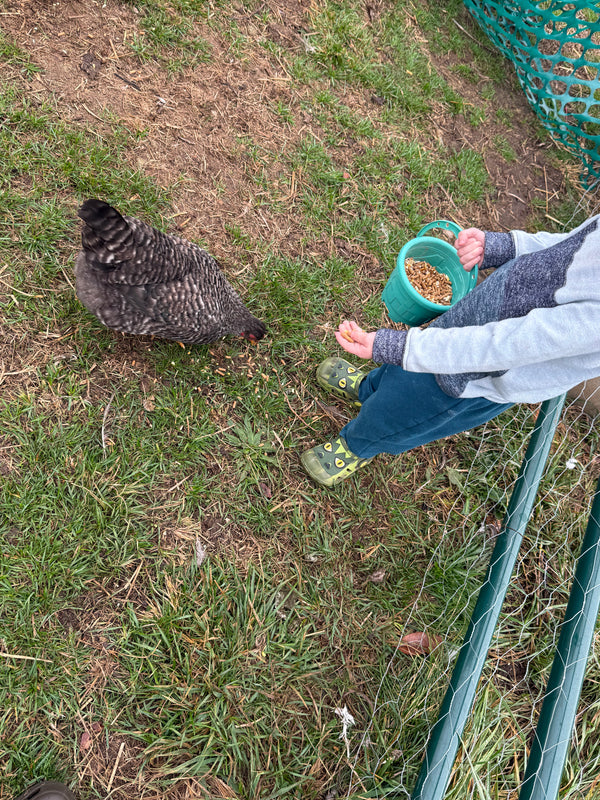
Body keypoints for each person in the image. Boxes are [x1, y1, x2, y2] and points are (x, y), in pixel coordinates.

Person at [301, 216, 600, 486]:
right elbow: (571, 247)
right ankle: (368, 389)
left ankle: (356, 446)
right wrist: (503, 247)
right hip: (466, 327)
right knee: (400, 371)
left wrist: (392, 345)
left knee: (399, 412)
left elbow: (504, 346)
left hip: (474, 376)